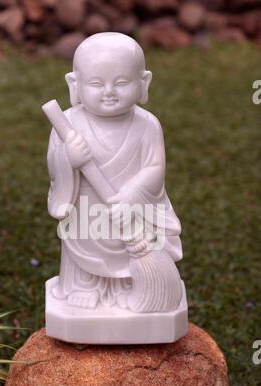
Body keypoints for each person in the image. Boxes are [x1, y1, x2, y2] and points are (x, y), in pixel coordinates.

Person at [46, 32, 183, 312]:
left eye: (121, 82)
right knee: (84, 239)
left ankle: (132, 284)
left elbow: (155, 168)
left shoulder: (147, 125)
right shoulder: (69, 123)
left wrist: (132, 194)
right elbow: (54, 165)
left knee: (131, 247)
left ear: (143, 83)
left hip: (132, 208)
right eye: (96, 83)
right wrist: (68, 158)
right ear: (75, 85)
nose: (109, 92)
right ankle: (85, 284)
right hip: (87, 207)